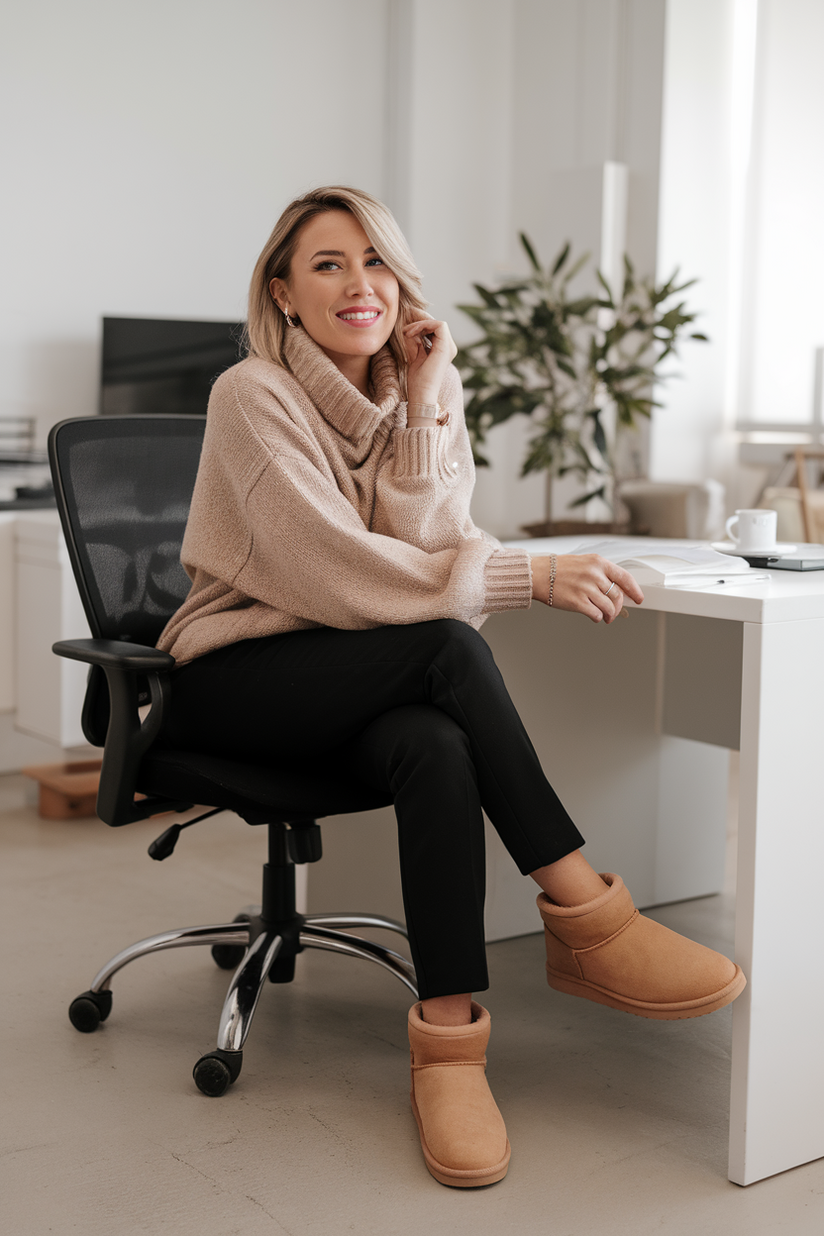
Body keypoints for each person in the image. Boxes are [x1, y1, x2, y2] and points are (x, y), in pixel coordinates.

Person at [157, 186, 746, 1189]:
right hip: (234, 677)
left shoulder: (418, 388)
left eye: (376, 261)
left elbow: (425, 554)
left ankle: (448, 1043)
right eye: (329, 264)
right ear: (283, 293)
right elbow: (338, 575)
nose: (359, 284)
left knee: (433, 740)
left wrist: (422, 403)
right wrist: (528, 576)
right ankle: (586, 917)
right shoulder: (251, 394)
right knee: (449, 655)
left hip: (352, 673)